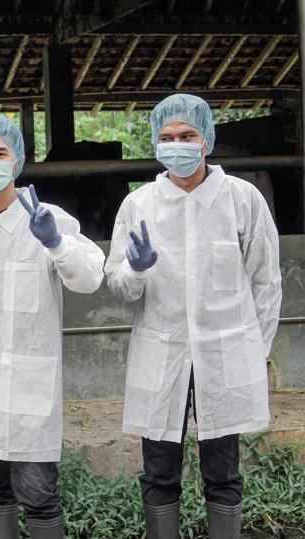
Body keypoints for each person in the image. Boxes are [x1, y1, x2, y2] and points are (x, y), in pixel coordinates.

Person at [104, 94, 282, 538]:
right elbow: (119, 285)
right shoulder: (139, 205)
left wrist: (254, 352)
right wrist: (137, 268)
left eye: (187, 135)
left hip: (225, 354)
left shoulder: (242, 199)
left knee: (223, 472)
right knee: (159, 473)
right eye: (167, 137)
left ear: (207, 140)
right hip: (161, 354)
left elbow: (266, 281)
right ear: (154, 143)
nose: (177, 144)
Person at [0, 115, 105, 538]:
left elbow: (89, 279)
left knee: (38, 494)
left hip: (26, 391)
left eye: (0, 153)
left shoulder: (49, 219)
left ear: (17, 161)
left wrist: (55, 243)